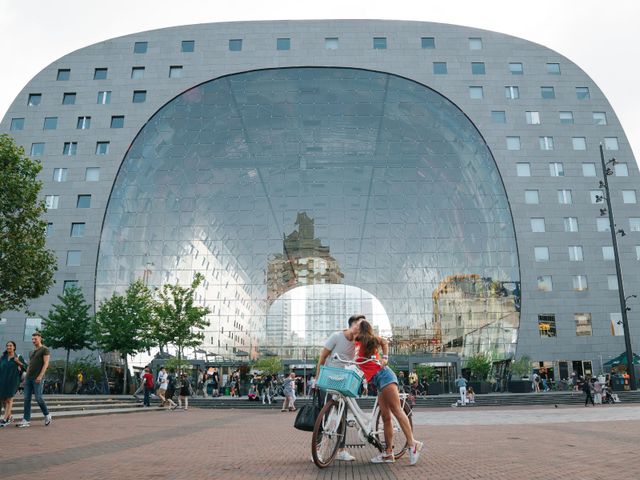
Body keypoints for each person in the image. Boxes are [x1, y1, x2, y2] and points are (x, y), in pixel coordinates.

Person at [354, 320, 422, 465]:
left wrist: (385, 358)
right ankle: (388, 453)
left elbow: (385, 342)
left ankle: (412, 444)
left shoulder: (370, 339)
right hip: (378, 382)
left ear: (362, 329)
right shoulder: (357, 343)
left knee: (396, 410)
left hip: (384, 375)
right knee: (385, 417)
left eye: (357, 326)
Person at [315, 313, 365, 462]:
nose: (361, 327)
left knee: (342, 415)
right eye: (359, 324)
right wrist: (317, 379)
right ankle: (317, 450)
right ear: (353, 324)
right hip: (329, 379)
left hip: (344, 380)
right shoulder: (337, 337)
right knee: (324, 416)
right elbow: (323, 357)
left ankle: (341, 450)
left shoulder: (358, 343)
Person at [16, 332, 52, 428]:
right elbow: (30, 365)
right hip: (28, 378)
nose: (33, 341)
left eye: (35, 339)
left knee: (38, 398)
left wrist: (40, 376)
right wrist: (25, 377)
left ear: (40, 338)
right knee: (26, 399)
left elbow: (46, 364)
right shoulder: (31, 351)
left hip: (38, 378)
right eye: (32, 339)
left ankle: (47, 415)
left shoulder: (45, 349)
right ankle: (26, 420)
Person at [0, 341, 26, 427]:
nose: (8, 347)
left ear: (14, 347)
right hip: (3, 380)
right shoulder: (3, 357)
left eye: (10, 346)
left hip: (13, 381)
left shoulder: (18, 357)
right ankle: (10, 416)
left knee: (9, 399)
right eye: (7, 346)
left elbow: (26, 367)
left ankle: (5, 419)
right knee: (3, 399)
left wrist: (18, 362)